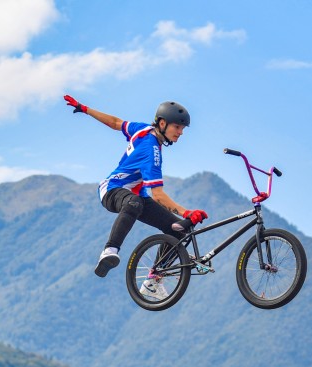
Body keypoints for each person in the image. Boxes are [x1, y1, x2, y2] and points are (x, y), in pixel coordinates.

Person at [64, 94, 208, 279]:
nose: (181, 132)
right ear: (162, 124)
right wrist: (186, 212)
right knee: (134, 203)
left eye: (183, 128)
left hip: (138, 197)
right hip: (111, 190)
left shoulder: (145, 130)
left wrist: (85, 109)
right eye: (177, 127)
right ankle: (109, 250)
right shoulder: (152, 151)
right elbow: (157, 195)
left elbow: (116, 123)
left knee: (177, 229)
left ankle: (154, 281)